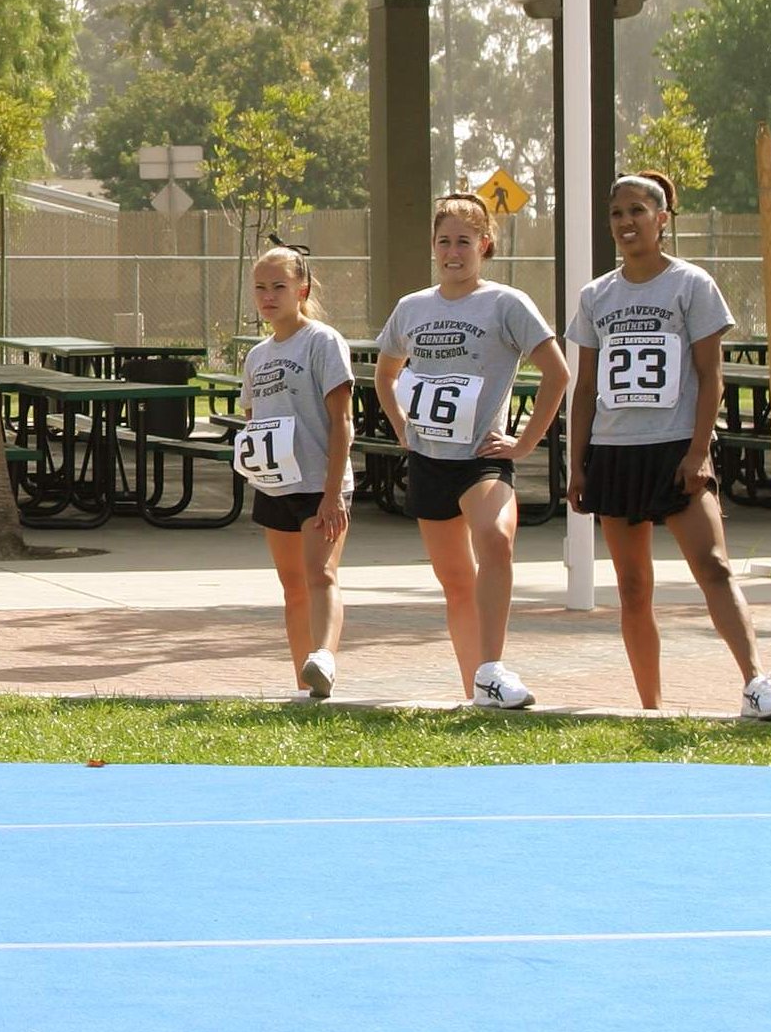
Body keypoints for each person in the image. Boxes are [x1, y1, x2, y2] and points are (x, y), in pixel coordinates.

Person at [566, 174, 771, 721]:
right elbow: (587, 385)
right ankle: (651, 704)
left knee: (713, 565)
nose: (626, 223)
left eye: (638, 211)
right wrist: (577, 463)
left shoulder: (692, 285)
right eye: (617, 213)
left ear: (663, 219)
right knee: (633, 584)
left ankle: (756, 683)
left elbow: (710, 376)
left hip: (675, 449)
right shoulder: (597, 295)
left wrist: (697, 451)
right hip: (615, 452)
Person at [373, 192, 575, 711]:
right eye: (444, 241)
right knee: (456, 583)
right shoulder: (412, 307)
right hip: (429, 460)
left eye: (464, 241)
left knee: (495, 540)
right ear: (434, 248)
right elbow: (385, 371)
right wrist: (400, 426)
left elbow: (557, 373)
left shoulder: (506, 303)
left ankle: (492, 667)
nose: (453, 251)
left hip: (483, 458)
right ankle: (477, 690)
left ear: (485, 245)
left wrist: (526, 442)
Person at [238, 244, 353, 701]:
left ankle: (324, 654)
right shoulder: (256, 356)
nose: (269, 296)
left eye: (279, 287)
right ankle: (305, 683)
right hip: (275, 484)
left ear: (301, 290)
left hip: (318, 484)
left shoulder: (322, 341)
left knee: (320, 573)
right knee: (292, 587)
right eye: (260, 288)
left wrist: (333, 492)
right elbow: (255, 419)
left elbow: (342, 421)